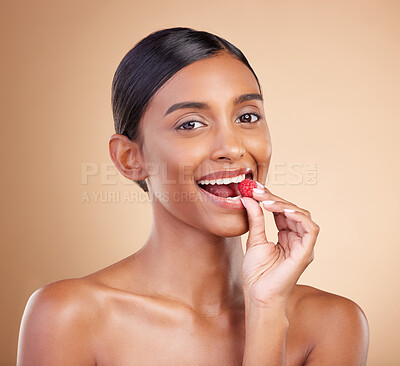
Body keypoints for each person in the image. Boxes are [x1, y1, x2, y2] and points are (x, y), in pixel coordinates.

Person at [17, 27, 369, 365]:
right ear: (130, 158)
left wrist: (266, 311)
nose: (231, 147)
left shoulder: (333, 323)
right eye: (190, 124)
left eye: (247, 116)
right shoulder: (68, 317)